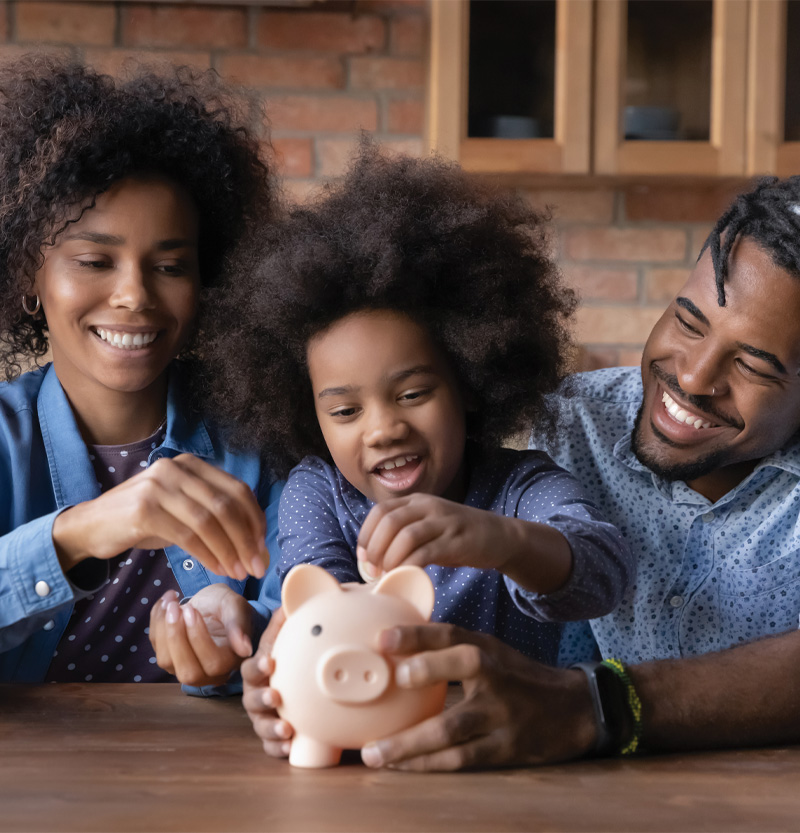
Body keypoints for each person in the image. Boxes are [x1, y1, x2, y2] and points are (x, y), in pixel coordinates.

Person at [290, 174, 800, 770]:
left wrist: (595, 704)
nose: (691, 378)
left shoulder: (524, 484)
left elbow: (586, 564)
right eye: (688, 322)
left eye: (752, 365)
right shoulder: (574, 421)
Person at [201, 142, 635, 756]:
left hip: (506, 759)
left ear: (471, 381)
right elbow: (310, 595)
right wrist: (278, 679)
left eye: (412, 393)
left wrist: (499, 539)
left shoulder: (521, 489)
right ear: (308, 414)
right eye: (346, 411)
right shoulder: (319, 492)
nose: (382, 429)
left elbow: (603, 572)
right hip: (359, 762)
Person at [0, 55, 282, 693]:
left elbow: (323, 601)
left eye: (171, 266)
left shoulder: (265, 439)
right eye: (95, 260)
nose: (134, 295)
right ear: (28, 276)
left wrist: (250, 629)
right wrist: (82, 530)